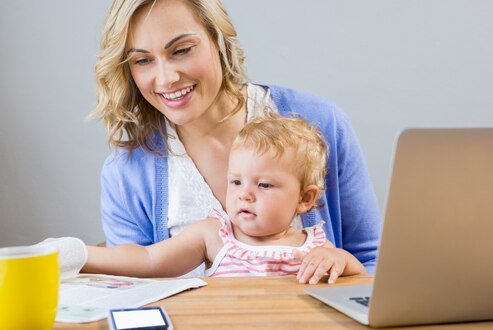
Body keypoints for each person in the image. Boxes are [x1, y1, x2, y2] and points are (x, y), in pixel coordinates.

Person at [91, 0, 381, 274]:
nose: (166, 79)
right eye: (143, 60)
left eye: (182, 50)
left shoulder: (322, 124)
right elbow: (135, 294)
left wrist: (342, 267)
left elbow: (373, 264)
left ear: (217, 38)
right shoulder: (127, 174)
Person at [81, 115, 366, 284]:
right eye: (236, 181)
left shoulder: (313, 245)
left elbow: (361, 279)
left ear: (305, 198)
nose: (244, 194)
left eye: (264, 184)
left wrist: (338, 258)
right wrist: (78, 255)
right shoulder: (214, 235)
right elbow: (147, 258)